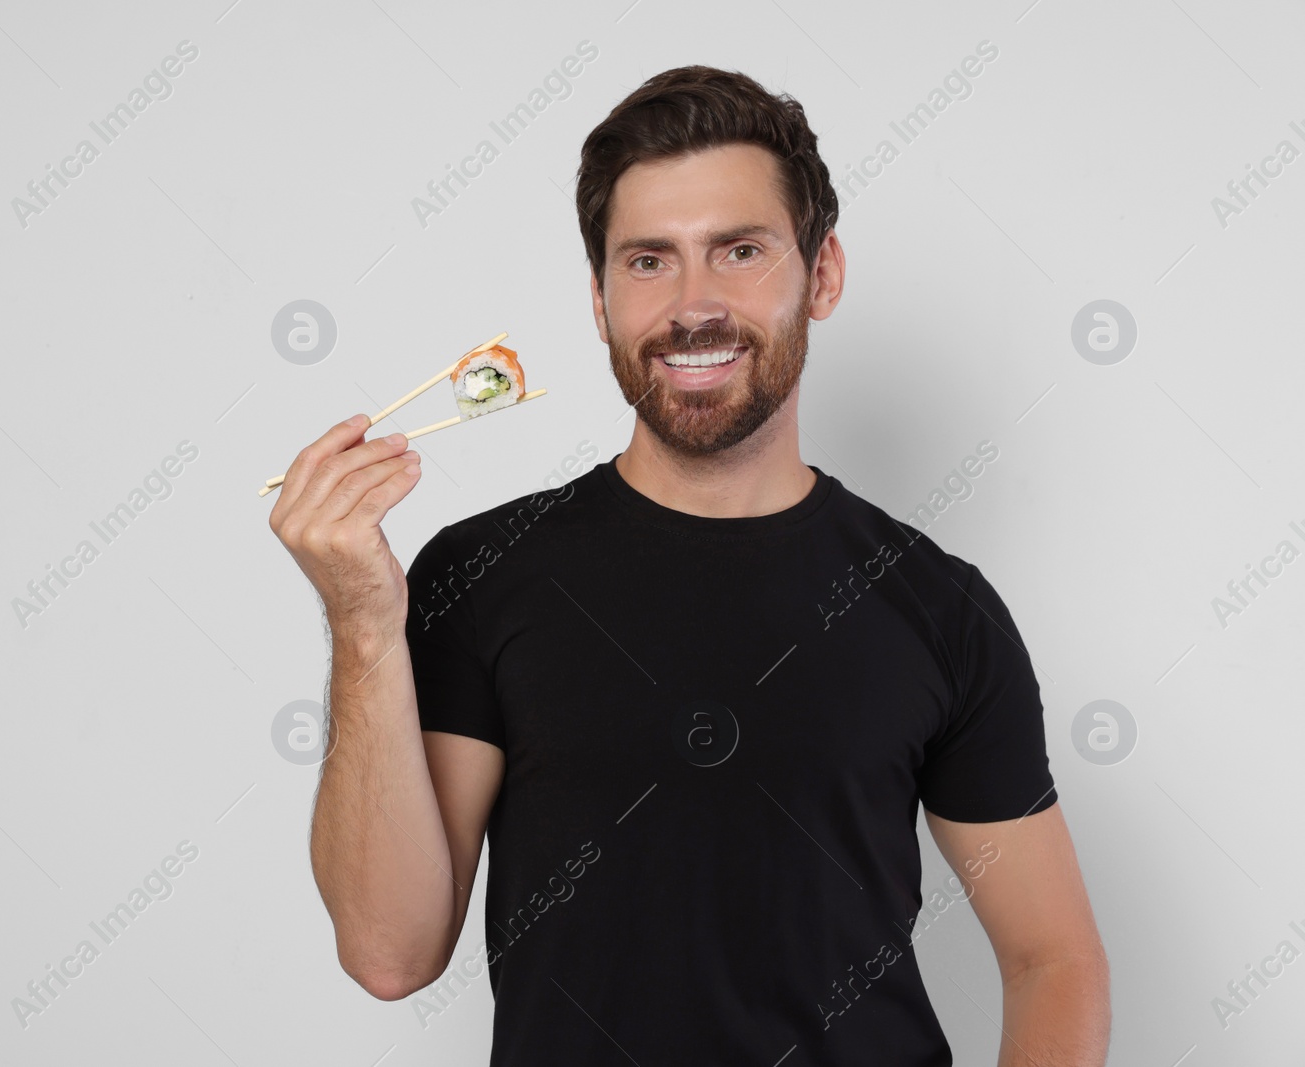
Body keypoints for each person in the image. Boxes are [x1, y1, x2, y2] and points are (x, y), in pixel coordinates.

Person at [269, 64, 1109, 1066]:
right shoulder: (481, 575)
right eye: (648, 261)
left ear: (822, 274)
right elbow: (387, 950)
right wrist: (361, 622)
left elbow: (1053, 957)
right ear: (599, 299)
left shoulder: (937, 605)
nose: (692, 304)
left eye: (740, 250)